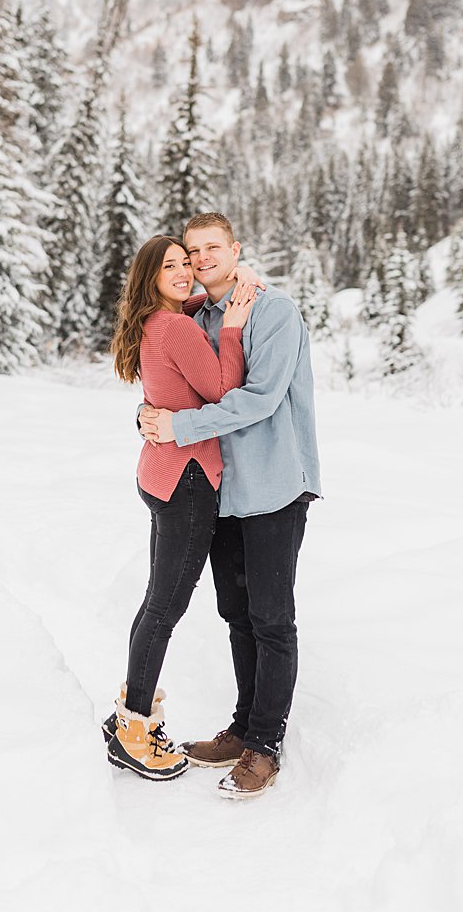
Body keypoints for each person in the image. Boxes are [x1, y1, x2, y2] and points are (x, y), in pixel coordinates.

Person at [138, 212, 322, 801]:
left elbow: (259, 399)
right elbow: (172, 379)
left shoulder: (274, 312)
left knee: (272, 618)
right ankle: (243, 727)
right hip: (222, 492)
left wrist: (178, 426)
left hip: (273, 486)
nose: (200, 259)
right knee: (235, 613)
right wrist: (150, 419)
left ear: (235, 248)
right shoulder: (200, 316)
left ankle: (265, 745)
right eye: (191, 251)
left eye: (212, 247)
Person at [99, 233, 255, 781]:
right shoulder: (178, 326)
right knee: (165, 608)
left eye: (186, 263)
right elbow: (220, 387)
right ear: (151, 276)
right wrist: (231, 326)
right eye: (171, 266)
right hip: (188, 481)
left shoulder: (153, 320)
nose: (185, 273)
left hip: (160, 473)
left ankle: (129, 710)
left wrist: (196, 304)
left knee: (155, 602)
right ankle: (134, 727)